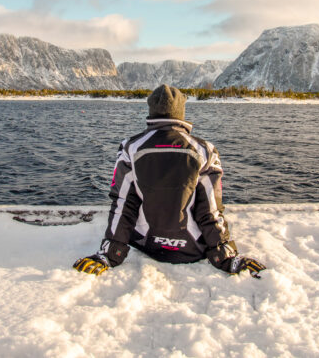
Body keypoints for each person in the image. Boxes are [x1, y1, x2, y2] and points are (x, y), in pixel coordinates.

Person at [73, 84, 266, 278]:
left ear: (152, 112)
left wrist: (109, 254)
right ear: (180, 114)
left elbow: (123, 204)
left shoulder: (130, 147)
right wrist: (225, 256)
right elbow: (210, 209)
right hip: (192, 248)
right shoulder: (205, 150)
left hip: (146, 245)